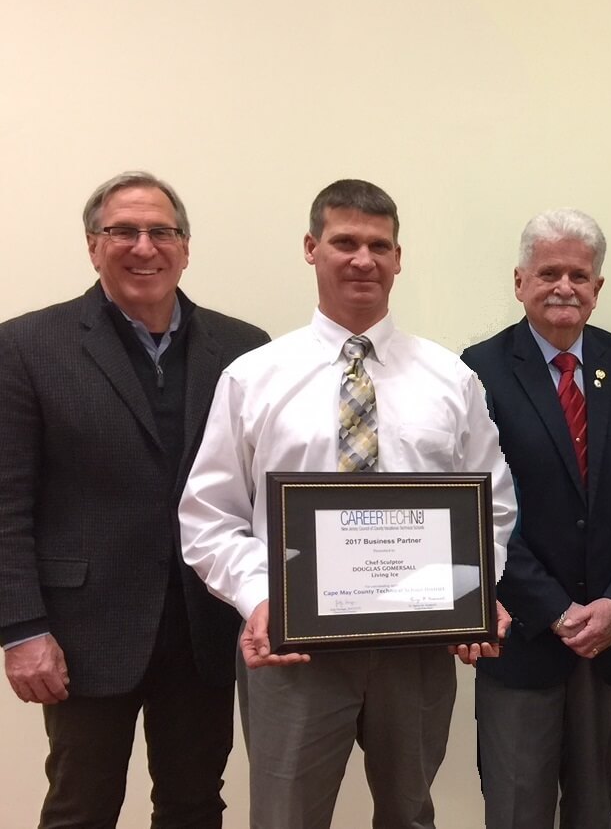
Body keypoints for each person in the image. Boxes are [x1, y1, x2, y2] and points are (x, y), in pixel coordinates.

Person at [179, 178, 517, 829]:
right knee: (285, 819)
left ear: (398, 257)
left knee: (411, 814)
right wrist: (258, 598)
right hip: (294, 649)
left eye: (378, 245)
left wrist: (474, 590)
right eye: (345, 242)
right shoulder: (254, 378)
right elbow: (209, 514)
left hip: (418, 650)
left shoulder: (450, 379)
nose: (363, 258)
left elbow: (493, 507)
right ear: (312, 248)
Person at [0, 172, 268, 828]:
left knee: (195, 804)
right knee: (80, 808)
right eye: (124, 231)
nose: (144, 246)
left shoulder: (244, 349)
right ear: (94, 245)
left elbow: (267, 495)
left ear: (185, 246)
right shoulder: (27, 346)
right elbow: (5, 506)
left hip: (206, 629)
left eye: (161, 231)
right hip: (84, 633)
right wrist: (21, 631)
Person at [461, 208, 611, 829]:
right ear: (520, 280)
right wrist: (553, 608)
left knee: (593, 810)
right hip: (523, 634)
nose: (564, 286)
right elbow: (480, 506)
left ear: (598, 287)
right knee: (517, 807)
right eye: (548, 272)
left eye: (579, 275)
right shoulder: (478, 370)